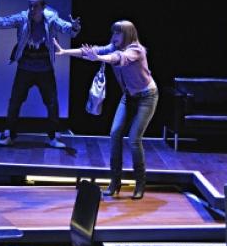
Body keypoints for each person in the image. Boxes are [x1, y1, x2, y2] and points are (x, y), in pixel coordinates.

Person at [54, 20, 157, 199]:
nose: (114, 36)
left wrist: (99, 58)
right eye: (113, 33)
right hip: (128, 97)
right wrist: (65, 51)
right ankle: (115, 181)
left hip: (146, 97)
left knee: (134, 139)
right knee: (115, 133)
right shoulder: (113, 47)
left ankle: (140, 183)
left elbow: (117, 58)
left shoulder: (136, 50)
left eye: (118, 33)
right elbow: (93, 51)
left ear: (128, 35)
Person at [0, 0, 80, 148]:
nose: (32, 9)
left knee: (52, 102)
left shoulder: (51, 18)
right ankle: (10, 135)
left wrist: (75, 26)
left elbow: (67, 28)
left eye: (35, 6)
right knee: (15, 101)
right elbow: (6, 21)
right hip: (25, 67)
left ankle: (53, 137)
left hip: (45, 69)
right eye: (30, 5)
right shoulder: (23, 17)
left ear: (43, 7)